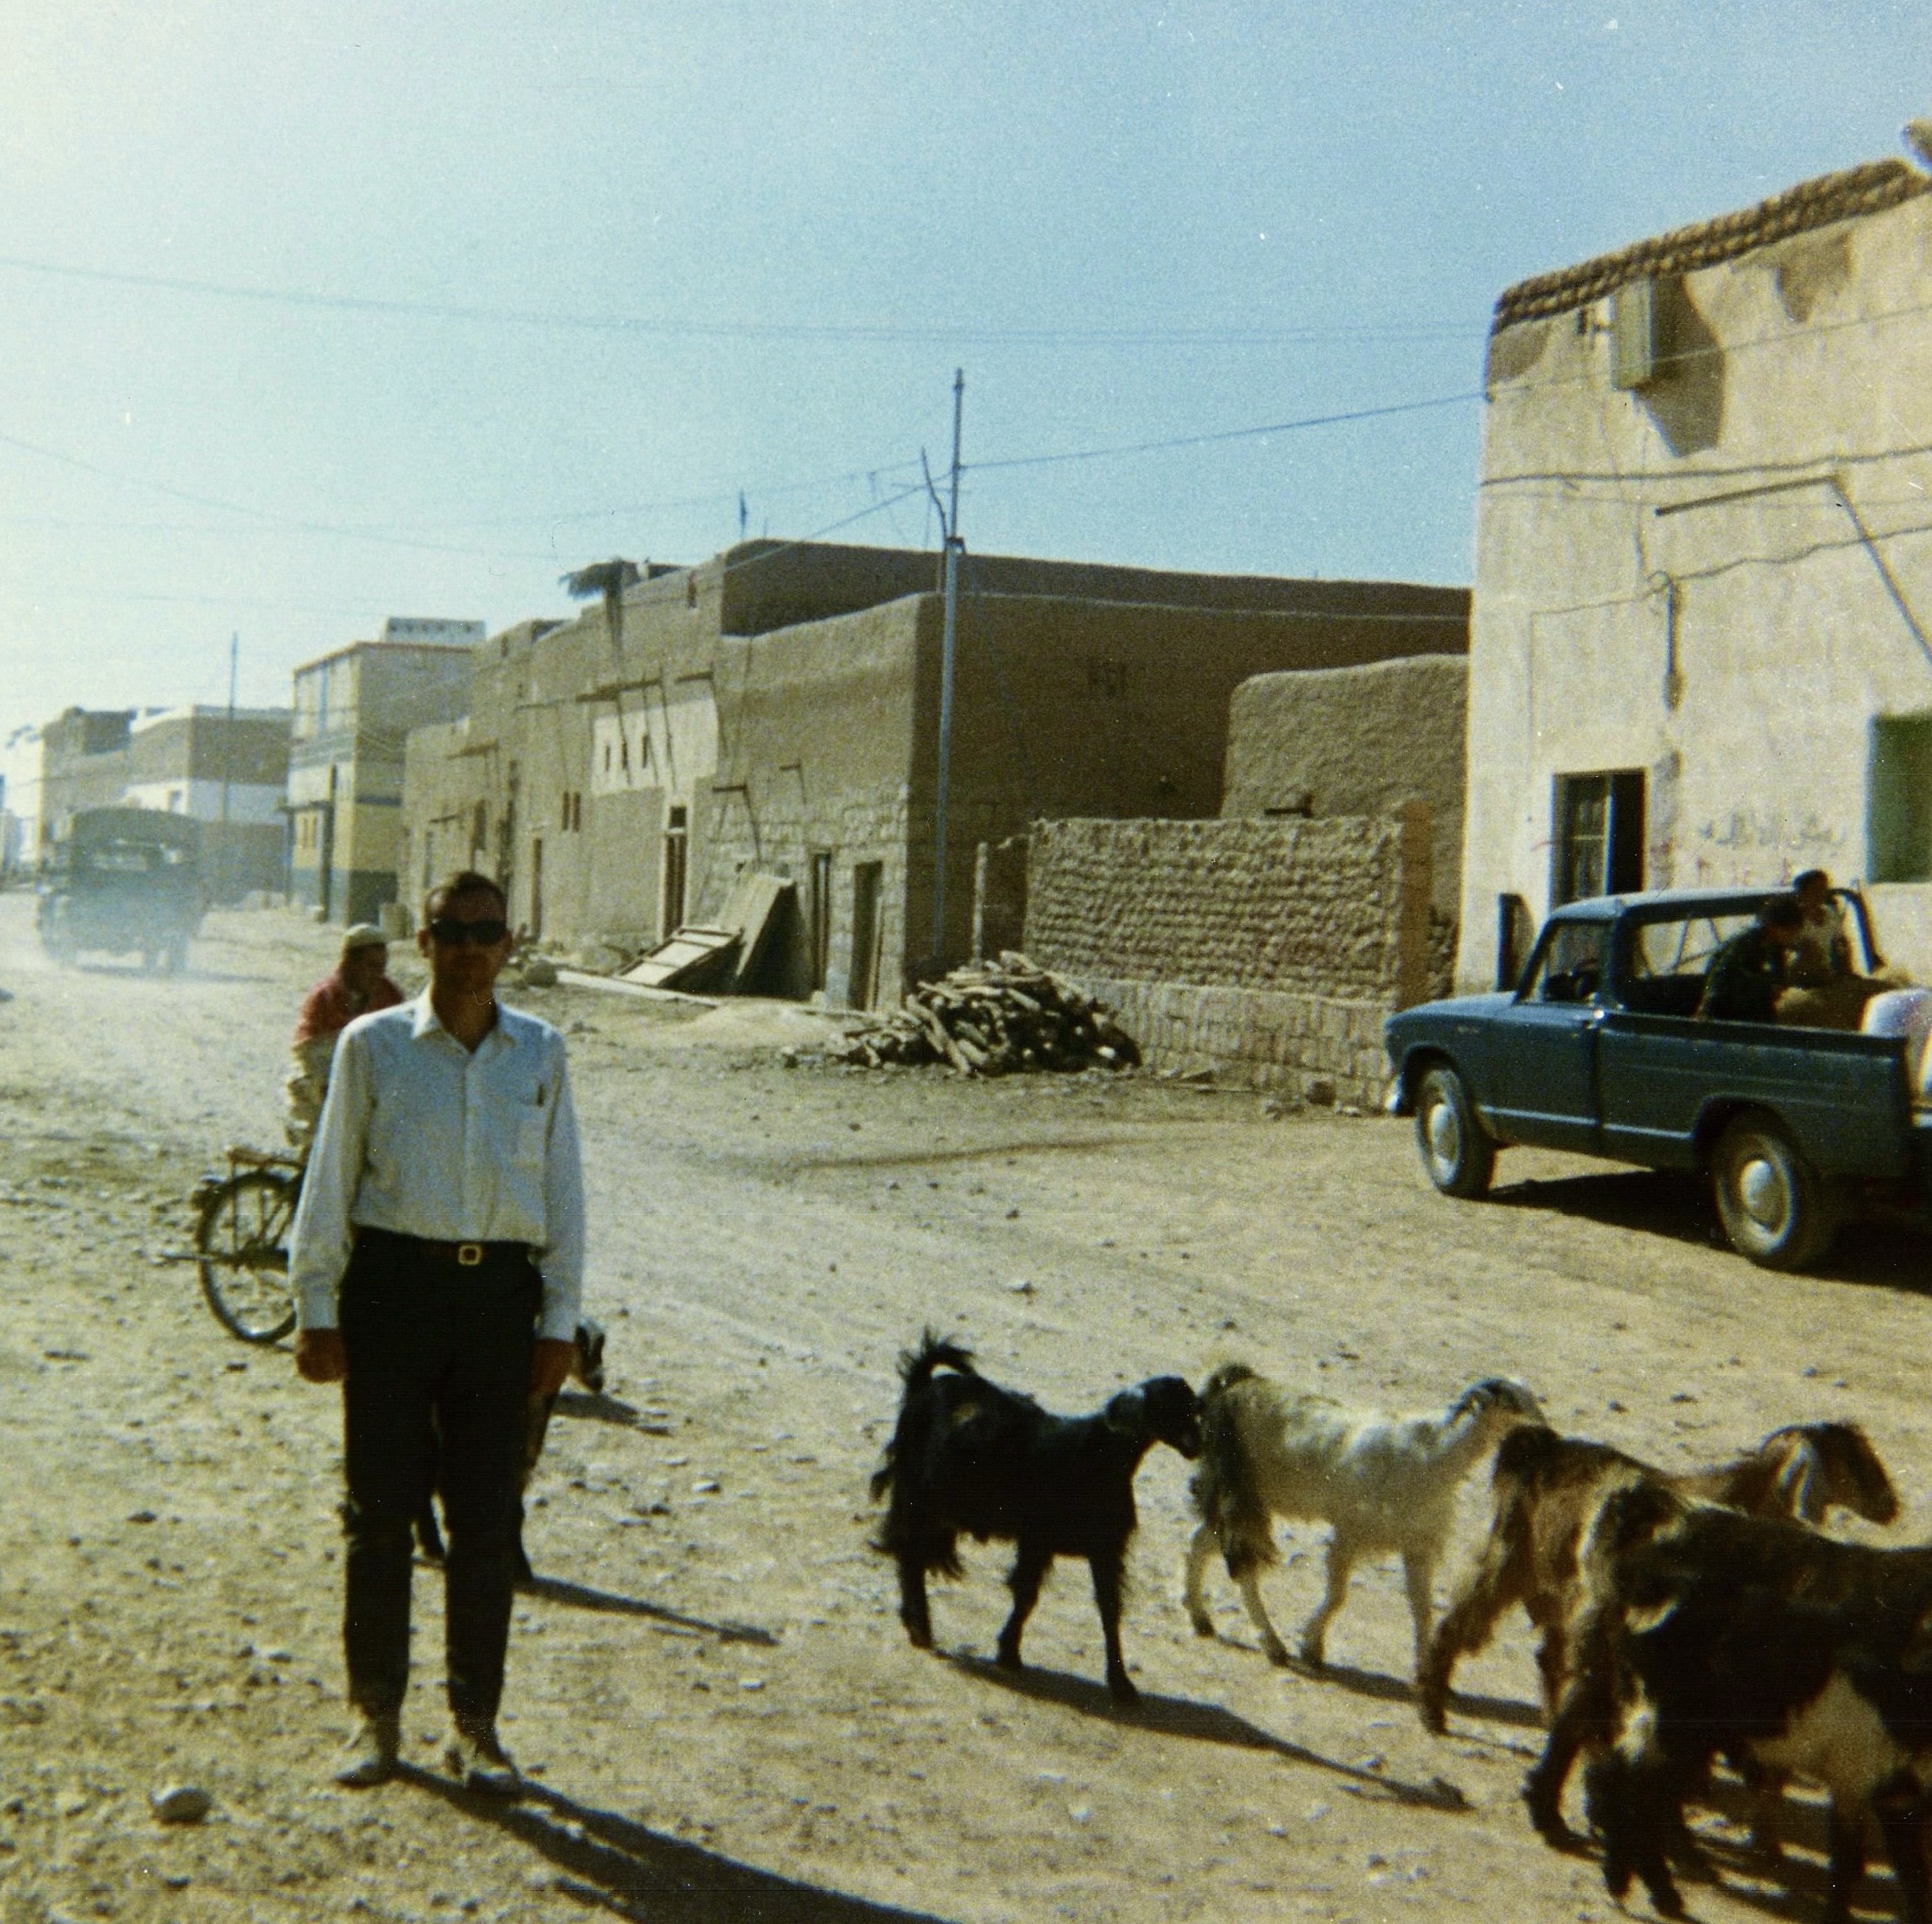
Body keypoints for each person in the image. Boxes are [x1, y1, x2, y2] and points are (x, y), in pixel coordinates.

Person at [288, 871, 585, 1794]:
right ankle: (374, 1716)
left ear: (509, 942)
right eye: (451, 932)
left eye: (485, 931)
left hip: (496, 1304)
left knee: (486, 1523)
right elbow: (330, 1176)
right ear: (424, 942)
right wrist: (316, 1308)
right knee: (378, 1515)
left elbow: (564, 1195)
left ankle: (475, 1728)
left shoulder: (540, 1050)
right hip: (391, 1297)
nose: (467, 948)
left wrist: (558, 1320)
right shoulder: (374, 1046)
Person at [285, 925, 405, 1145]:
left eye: (382, 967)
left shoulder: (389, 993)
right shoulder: (324, 998)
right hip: (323, 1081)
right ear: (349, 963)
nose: (378, 975)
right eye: (371, 966)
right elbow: (309, 1053)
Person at [1697, 894, 1805, 1023]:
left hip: (1752, 1002)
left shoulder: (1775, 945)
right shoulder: (1745, 941)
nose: (1793, 935)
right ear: (1774, 925)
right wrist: (1706, 1007)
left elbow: (1779, 975)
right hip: (1727, 1002)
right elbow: (1721, 973)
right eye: (1790, 930)